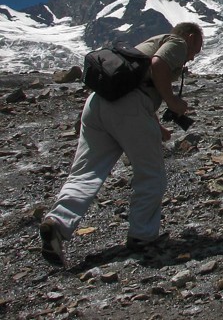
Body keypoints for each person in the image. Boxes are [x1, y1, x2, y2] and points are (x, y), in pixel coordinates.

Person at [39, 22, 204, 266]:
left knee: (86, 172)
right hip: (129, 107)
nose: (192, 57)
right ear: (190, 37)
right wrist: (173, 102)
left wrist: (155, 126)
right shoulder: (178, 42)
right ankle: (142, 236)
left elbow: (137, 82)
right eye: (196, 49)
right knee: (151, 173)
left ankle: (58, 223)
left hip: (98, 104)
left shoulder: (144, 45)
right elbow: (158, 66)